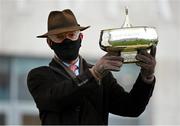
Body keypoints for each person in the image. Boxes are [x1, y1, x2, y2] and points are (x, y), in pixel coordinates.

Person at [27, 9, 156, 125]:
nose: (66, 40)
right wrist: (93, 74)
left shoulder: (103, 75)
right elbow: (57, 99)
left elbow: (131, 108)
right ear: (50, 42)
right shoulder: (39, 76)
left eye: (72, 35)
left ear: (81, 37)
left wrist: (146, 77)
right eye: (59, 37)